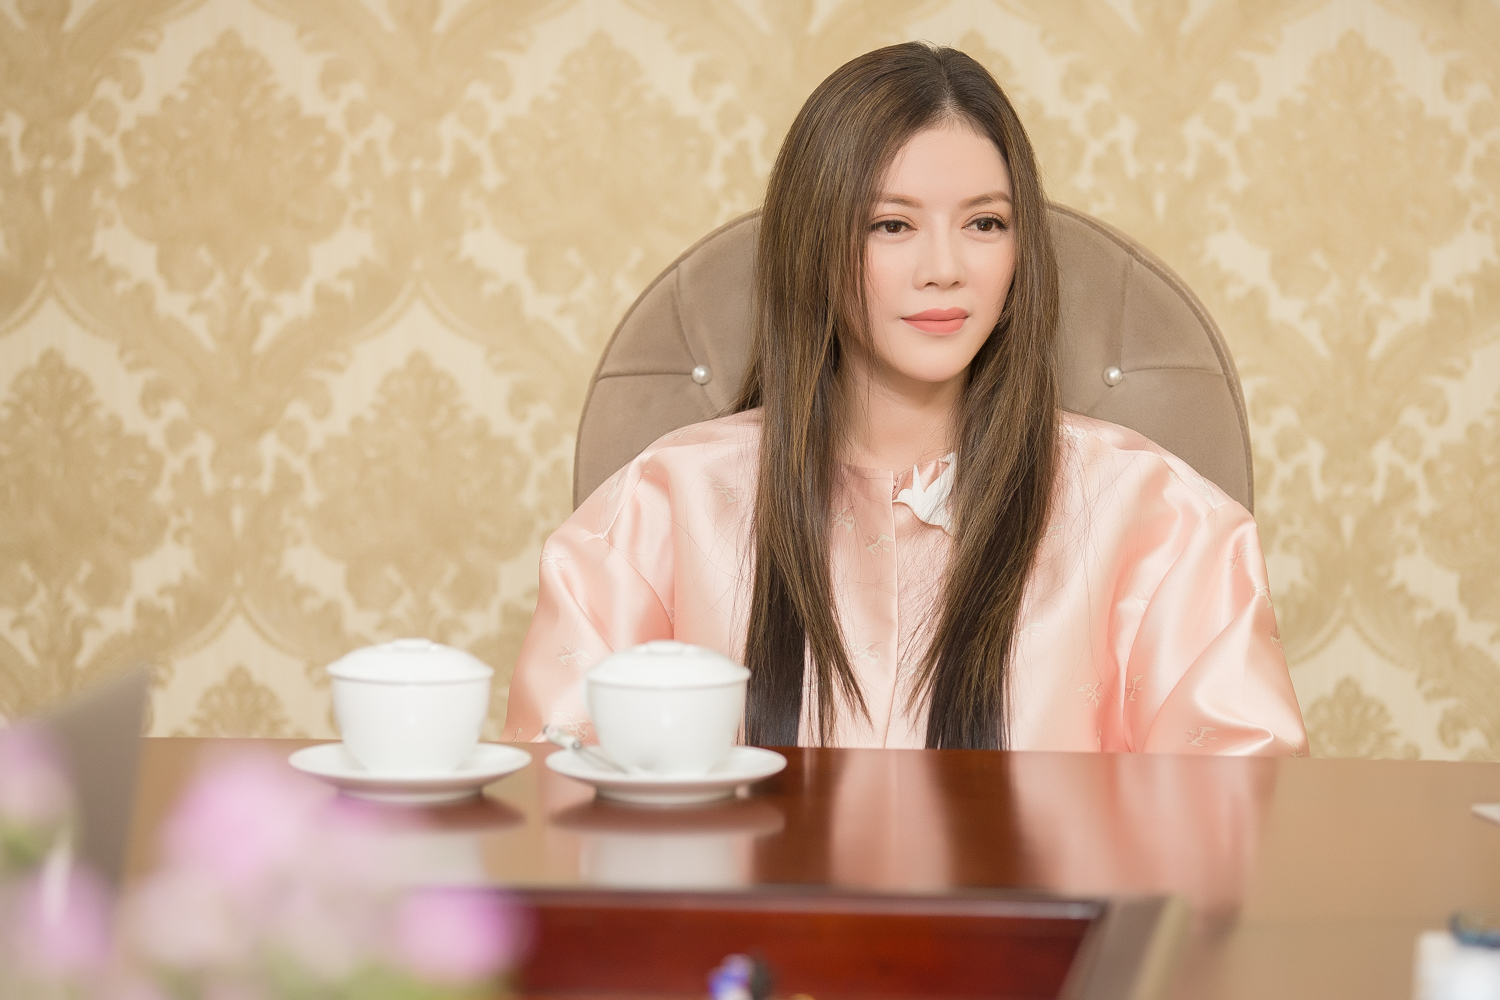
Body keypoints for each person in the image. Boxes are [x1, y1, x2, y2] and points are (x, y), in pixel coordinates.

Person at [504, 42, 1308, 755]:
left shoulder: (1165, 523)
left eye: (985, 224)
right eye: (892, 225)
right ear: (813, 243)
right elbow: (562, 791)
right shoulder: (660, 507)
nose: (945, 269)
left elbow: (1241, 823)